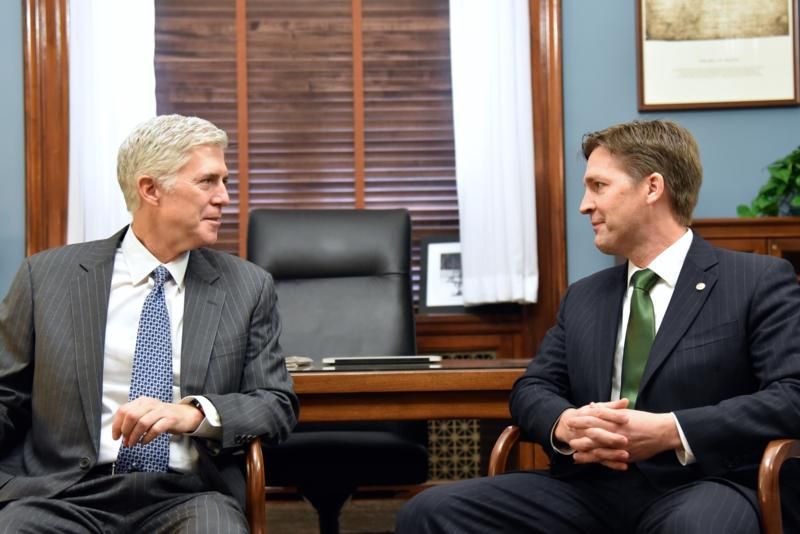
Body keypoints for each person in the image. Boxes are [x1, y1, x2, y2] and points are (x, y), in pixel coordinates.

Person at [396, 119, 800, 533]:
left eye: (598, 186)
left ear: (652, 188)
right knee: (429, 512)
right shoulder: (584, 296)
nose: (584, 205)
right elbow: (532, 388)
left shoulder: (755, 280)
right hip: (589, 487)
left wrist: (671, 430)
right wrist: (564, 423)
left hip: (704, 482)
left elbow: (791, 396)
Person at [0, 114, 298, 533]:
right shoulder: (46, 278)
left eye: (224, 182)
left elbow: (276, 403)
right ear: (150, 189)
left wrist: (194, 414)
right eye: (207, 182)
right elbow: (6, 396)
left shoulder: (246, 287)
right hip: (65, 494)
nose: (224, 197)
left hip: (188, 495)